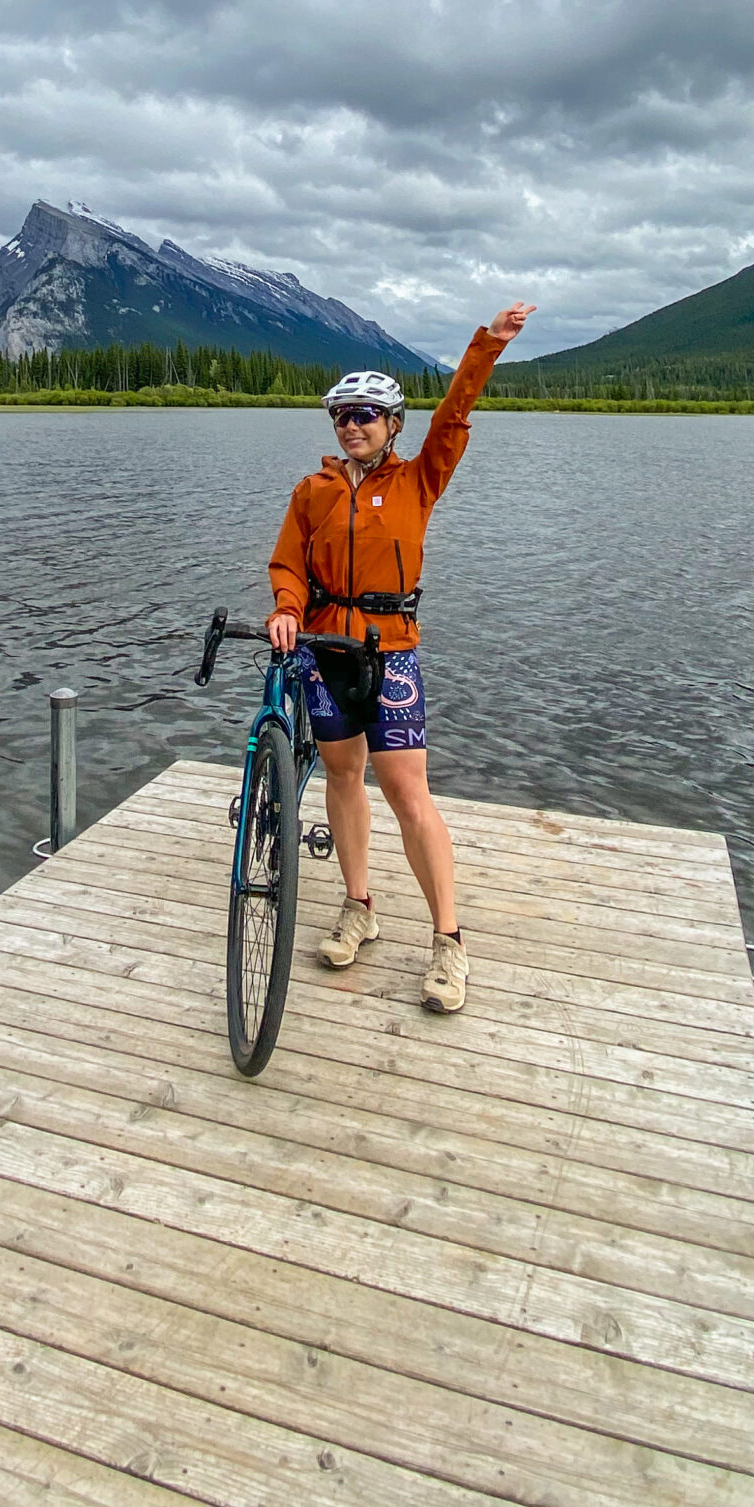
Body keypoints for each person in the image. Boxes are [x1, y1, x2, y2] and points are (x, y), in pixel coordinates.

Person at [266, 303, 535, 1013]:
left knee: (406, 789)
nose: (353, 425)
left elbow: (454, 413)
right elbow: (288, 564)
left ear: (392, 425)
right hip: (326, 651)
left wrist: (487, 347)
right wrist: (288, 609)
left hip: (392, 654)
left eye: (367, 414)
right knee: (342, 777)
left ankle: (449, 941)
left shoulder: (418, 479)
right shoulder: (312, 492)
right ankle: (360, 906)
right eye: (342, 415)